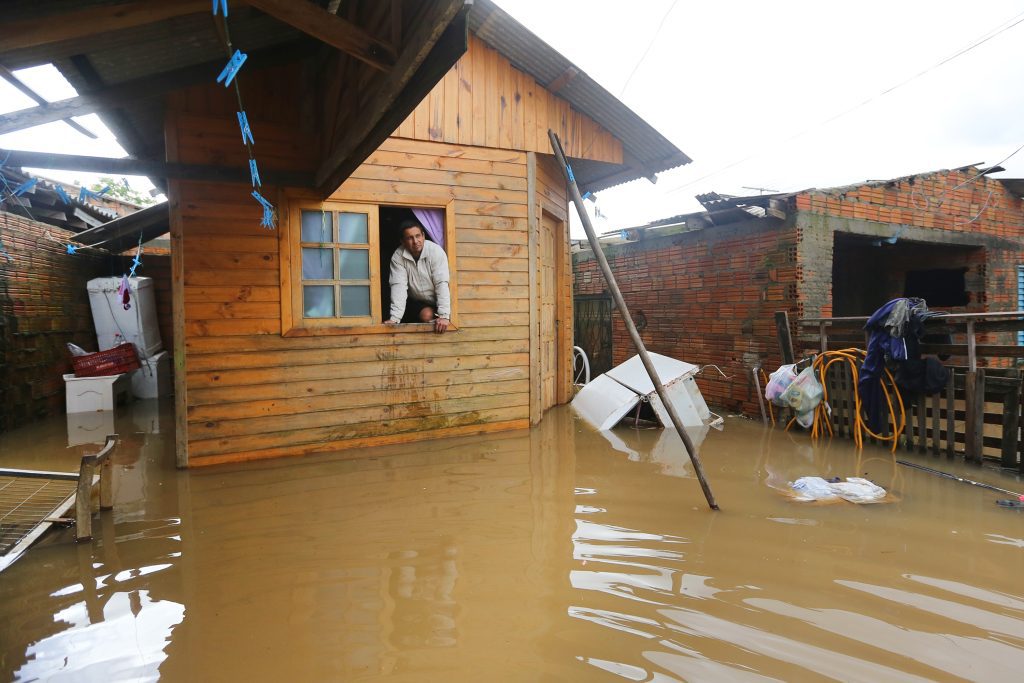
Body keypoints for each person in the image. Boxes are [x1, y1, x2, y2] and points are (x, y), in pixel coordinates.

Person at [385, 219, 451, 333]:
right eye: (409, 238)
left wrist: (444, 315)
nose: (415, 241)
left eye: (418, 236)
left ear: (423, 236)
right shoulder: (398, 256)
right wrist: (394, 319)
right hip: (416, 300)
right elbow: (398, 286)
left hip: (438, 298)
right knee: (426, 315)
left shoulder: (435, 251)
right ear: (402, 241)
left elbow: (441, 283)